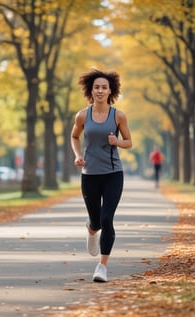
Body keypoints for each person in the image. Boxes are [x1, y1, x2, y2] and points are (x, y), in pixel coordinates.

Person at [70, 68, 132, 282]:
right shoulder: (83, 115)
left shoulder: (118, 116)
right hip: (89, 174)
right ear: (91, 90)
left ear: (110, 91)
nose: (100, 90)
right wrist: (78, 156)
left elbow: (129, 142)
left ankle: (102, 267)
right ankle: (91, 228)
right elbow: (74, 136)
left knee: (107, 219)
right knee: (96, 221)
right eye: (96, 87)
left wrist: (118, 142)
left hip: (113, 173)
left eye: (104, 87)